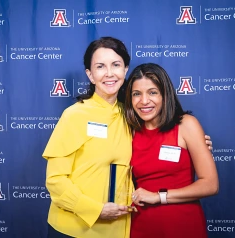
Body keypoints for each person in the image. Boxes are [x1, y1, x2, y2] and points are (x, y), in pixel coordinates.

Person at [42, 37, 213, 238]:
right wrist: (95, 209)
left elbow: (157, 141)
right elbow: (55, 180)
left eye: (116, 65)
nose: (109, 73)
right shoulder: (74, 115)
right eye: (100, 66)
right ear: (90, 74)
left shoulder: (131, 116)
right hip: (75, 229)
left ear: (125, 70)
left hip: (119, 229)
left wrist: (197, 144)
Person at [125, 63, 219, 238]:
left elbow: (210, 185)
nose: (144, 101)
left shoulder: (186, 125)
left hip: (183, 225)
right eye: (136, 94)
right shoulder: (128, 131)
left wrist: (158, 196)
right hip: (140, 226)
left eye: (152, 92)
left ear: (165, 94)